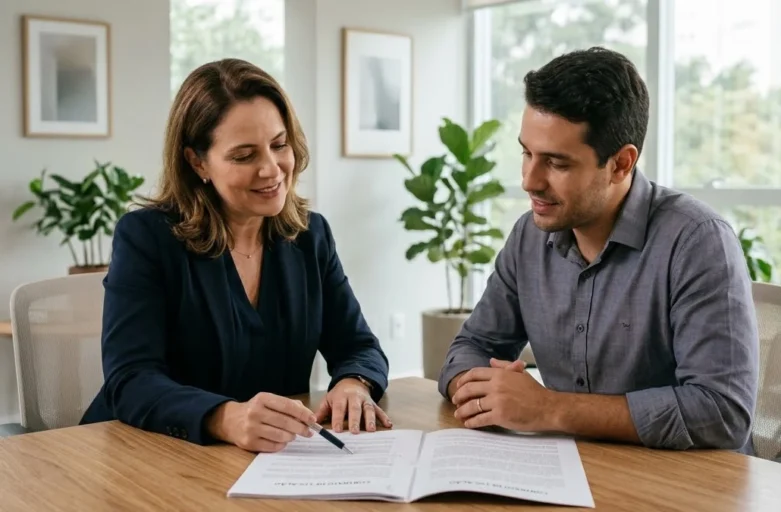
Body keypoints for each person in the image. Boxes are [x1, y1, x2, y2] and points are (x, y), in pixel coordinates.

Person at [439, 47, 759, 453]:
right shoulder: (528, 236)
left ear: (621, 164)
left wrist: (549, 409)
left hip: (688, 487)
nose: (529, 181)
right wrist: (486, 388)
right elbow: (471, 348)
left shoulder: (698, 241)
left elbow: (722, 413)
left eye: (556, 163)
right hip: (577, 470)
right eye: (526, 153)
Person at [81, 58, 392, 452]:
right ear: (197, 162)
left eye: (279, 145)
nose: (272, 169)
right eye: (244, 156)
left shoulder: (311, 236)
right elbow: (131, 379)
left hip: (264, 463)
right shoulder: (146, 237)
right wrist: (224, 417)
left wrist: (354, 382)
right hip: (149, 456)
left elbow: (359, 346)